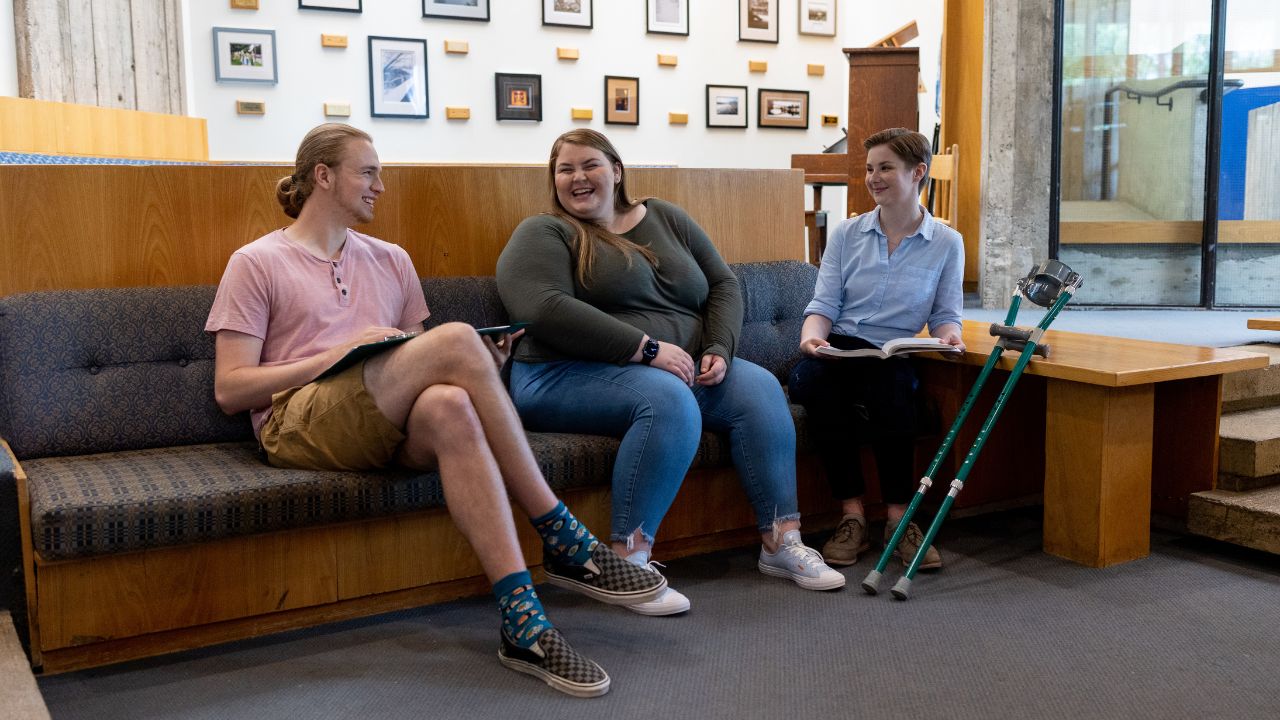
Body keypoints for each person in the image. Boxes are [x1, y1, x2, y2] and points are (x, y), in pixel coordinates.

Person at [205, 123, 666, 699]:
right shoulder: (256, 262)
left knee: (449, 402)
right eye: (367, 172)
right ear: (323, 177)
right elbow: (231, 388)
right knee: (452, 341)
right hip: (296, 423)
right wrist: (339, 354)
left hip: (383, 417)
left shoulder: (391, 260)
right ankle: (562, 535)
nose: (380, 186)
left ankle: (523, 620)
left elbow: (426, 365)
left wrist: (485, 362)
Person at [496, 129, 845, 617]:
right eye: (564, 169)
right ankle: (627, 562)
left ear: (616, 170)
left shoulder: (665, 216)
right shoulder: (544, 231)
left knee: (760, 387)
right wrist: (645, 348)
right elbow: (541, 306)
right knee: (665, 400)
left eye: (589, 165)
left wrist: (720, 348)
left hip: (671, 369)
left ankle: (780, 542)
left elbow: (724, 283)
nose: (577, 177)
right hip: (559, 375)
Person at [788, 127, 965, 571]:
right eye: (870, 169)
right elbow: (823, 304)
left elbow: (946, 313)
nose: (873, 177)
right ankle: (851, 517)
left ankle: (898, 520)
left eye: (885, 167)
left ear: (917, 172)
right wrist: (812, 337)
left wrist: (950, 337)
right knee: (813, 381)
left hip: (894, 349)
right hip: (844, 343)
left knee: (891, 391)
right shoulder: (848, 234)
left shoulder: (947, 242)